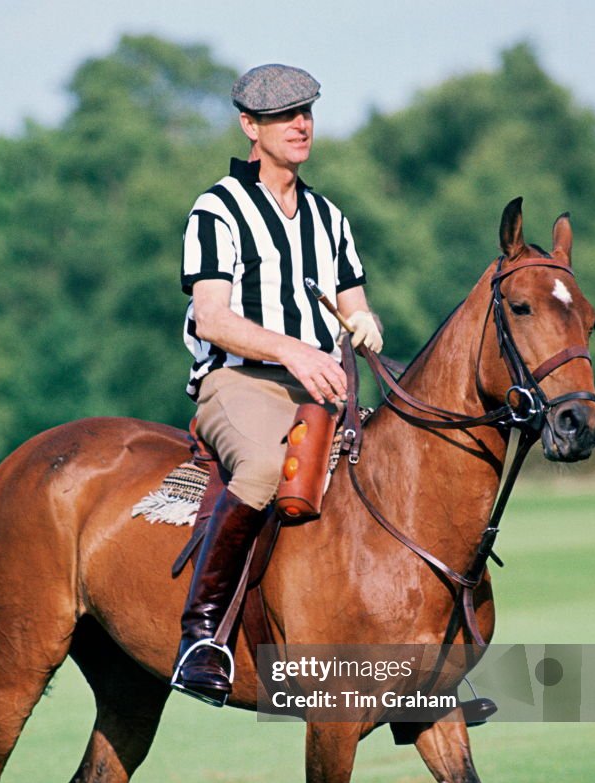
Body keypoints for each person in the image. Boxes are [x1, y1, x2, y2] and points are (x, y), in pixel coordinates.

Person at [172, 63, 383, 708]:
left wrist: (364, 321)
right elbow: (212, 317)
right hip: (239, 384)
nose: (300, 124)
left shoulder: (329, 216)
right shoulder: (218, 209)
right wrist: (293, 351)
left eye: (307, 112)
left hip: (323, 387)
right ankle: (201, 634)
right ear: (249, 126)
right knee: (265, 467)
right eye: (284, 115)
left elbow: (352, 302)